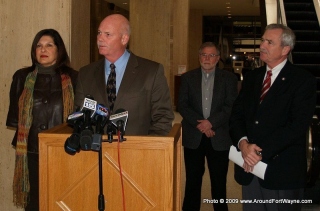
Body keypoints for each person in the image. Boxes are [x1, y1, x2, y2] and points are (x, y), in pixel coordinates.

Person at [229, 23, 316, 211]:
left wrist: (259, 152)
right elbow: (237, 115)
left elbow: (297, 125)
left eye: (269, 42)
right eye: (262, 40)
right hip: (249, 168)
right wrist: (243, 144)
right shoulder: (252, 77)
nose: (262, 46)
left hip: (281, 173)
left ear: (285, 49)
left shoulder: (302, 80)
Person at [6, 29, 78, 211]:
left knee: (61, 202)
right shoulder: (21, 77)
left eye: (48, 45)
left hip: (63, 152)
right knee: (34, 204)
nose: (43, 49)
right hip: (31, 153)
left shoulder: (75, 78)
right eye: (39, 45)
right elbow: (15, 117)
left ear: (58, 50)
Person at [74, 14, 174, 136]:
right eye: (99, 33)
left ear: (124, 39)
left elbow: (163, 118)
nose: (100, 39)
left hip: (138, 151)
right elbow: (79, 117)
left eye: (107, 34)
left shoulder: (151, 72)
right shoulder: (85, 73)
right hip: (96, 151)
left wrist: (147, 150)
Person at [178, 42, 238, 211]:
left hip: (219, 137)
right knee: (192, 181)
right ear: (199, 57)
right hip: (193, 137)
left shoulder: (229, 79)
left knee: (219, 183)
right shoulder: (188, 78)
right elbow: (182, 105)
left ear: (218, 58)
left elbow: (230, 106)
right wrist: (202, 125)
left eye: (212, 55)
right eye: (204, 55)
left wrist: (211, 123)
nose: (207, 58)